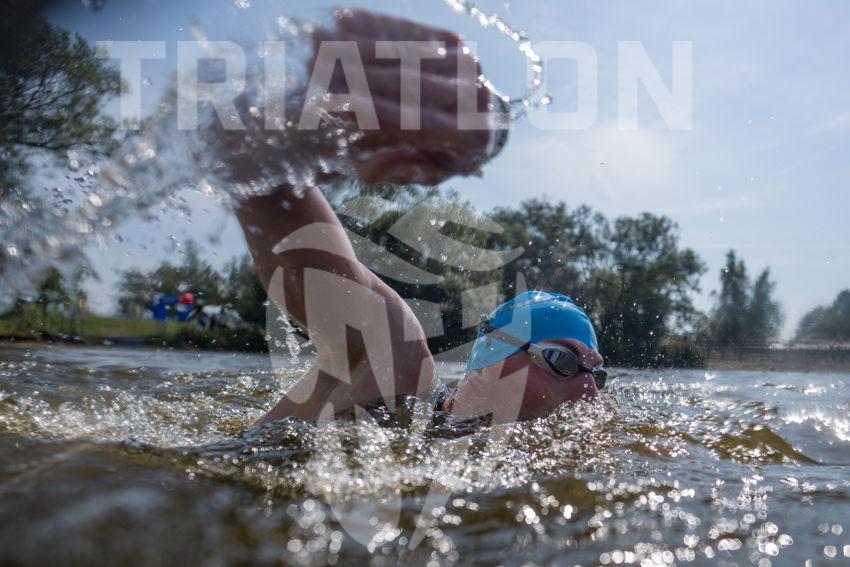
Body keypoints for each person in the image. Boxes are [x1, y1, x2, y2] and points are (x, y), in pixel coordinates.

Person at [231, 10, 606, 427]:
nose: (589, 394)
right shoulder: (392, 369)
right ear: (494, 356)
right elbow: (250, 159)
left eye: (597, 375)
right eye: (561, 361)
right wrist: (319, 130)